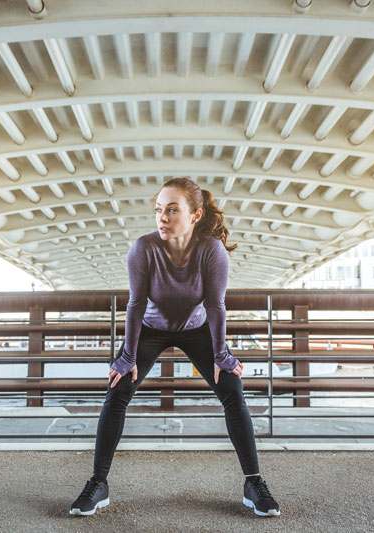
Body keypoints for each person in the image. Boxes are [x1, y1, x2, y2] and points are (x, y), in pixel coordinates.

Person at [69, 177, 280, 517]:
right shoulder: (143, 248)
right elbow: (136, 305)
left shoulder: (211, 251)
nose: (162, 218)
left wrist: (222, 356)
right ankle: (98, 484)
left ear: (195, 215)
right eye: (158, 210)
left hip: (197, 329)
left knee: (231, 387)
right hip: (152, 328)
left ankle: (254, 484)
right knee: (118, 388)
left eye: (171, 210)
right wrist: (126, 357)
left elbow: (215, 307)